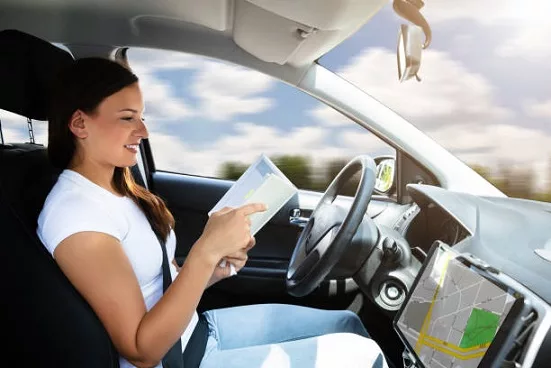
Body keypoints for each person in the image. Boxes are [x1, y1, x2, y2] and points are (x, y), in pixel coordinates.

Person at [37, 57, 388, 368]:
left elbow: (157, 281)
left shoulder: (118, 187)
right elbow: (142, 352)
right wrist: (204, 253)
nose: (143, 131)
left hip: (195, 332)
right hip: (177, 359)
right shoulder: (76, 216)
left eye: (142, 118)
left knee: (348, 324)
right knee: (364, 357)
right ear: (80, 125)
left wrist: (212, 271)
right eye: (128, 118)